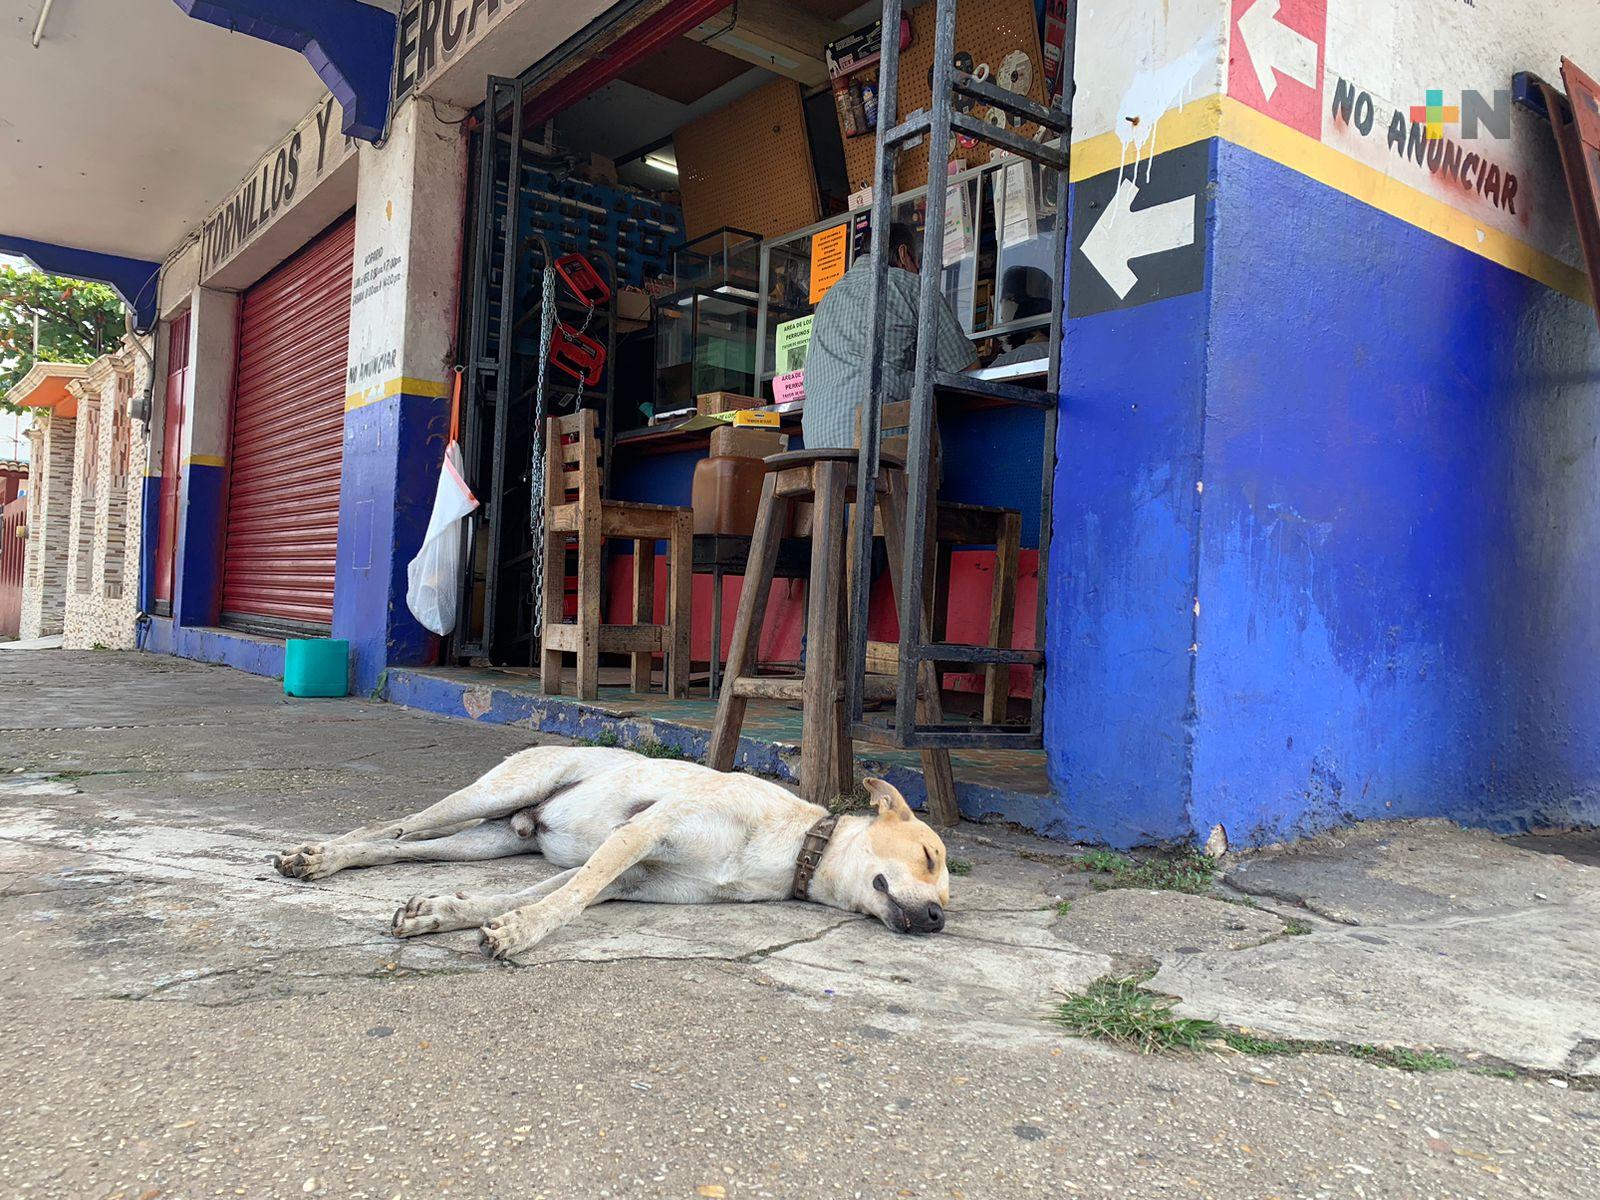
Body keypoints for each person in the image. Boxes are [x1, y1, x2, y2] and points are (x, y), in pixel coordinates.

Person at [802, 221, 978, 450]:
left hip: (817, 446)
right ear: (904, 254)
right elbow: (966, 371)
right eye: (917, 262)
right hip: (878, 449)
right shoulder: (912, 286)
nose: (917, 269)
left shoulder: (828, 299)